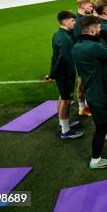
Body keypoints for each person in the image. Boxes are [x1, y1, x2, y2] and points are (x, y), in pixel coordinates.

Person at [71, 16, 107, 170]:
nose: (100, 30)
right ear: (91, 30)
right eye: (98, 28)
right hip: (101, 93)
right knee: (101, 127)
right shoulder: (94, 47)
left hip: (94, 91)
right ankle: (95, 160)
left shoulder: (77, 46)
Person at [45, 10, 83, 139]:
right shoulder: (65, 38)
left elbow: (55, 57)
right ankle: (65, 131)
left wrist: (52, 73)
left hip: (62, 73)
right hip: (65, 74)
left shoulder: (59, 34)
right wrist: (52, 75)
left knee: (62, 98)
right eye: (73, 20)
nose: (75, 23)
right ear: (65, 21)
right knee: (66, 100)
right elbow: (63, 59)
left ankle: (63, 124)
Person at [73, 0, 95, 117]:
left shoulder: (82, 19)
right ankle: (82, 107)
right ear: (82, 6)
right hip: (82, 56)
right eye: (90, 6)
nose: (92, 8)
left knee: (85, 81)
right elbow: (79, 40)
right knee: (82, 81)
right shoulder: (79, 21)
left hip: (83, 54)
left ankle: (85, 105)